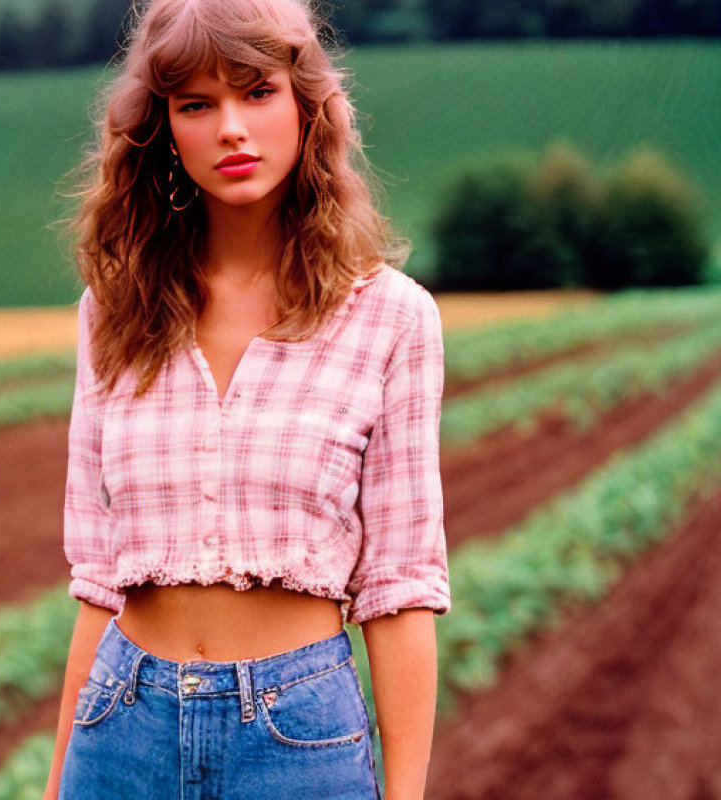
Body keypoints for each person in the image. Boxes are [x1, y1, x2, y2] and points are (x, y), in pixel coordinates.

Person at [43, 0, 450, 797]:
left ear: (307, 107)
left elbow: (399, 592)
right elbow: (99, 584)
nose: (230, 127)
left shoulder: (392, 318)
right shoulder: (112, 314)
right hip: (120, 726)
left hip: (297, 736)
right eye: (197, 104)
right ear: (164, 129)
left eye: (256, 92)